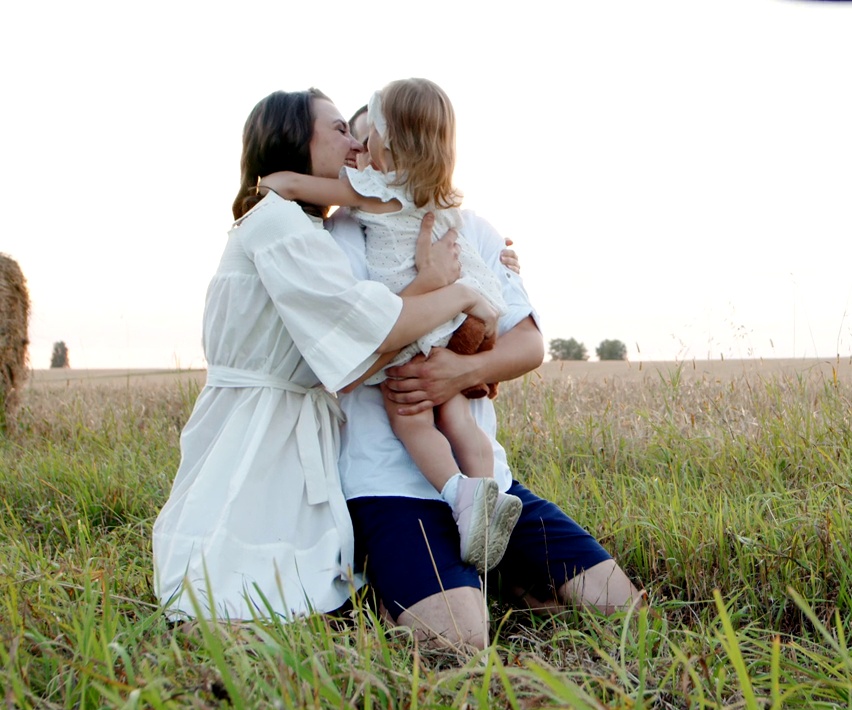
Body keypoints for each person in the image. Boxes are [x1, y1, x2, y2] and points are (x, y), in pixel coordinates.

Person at [151, 88, 498, 622]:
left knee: (308, 589)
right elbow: (365, 330)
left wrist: (447, 281)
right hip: (259, 428)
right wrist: (456, 292)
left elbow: (359, 337)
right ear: (295, 138)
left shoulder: (306, 227)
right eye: (338, 128)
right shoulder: (276, 223)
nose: (355, 141)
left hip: (298, 422)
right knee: (237, 596)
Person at [331, 95, 643, 653]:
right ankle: (398, 584)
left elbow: (528, 343)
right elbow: (345, 358)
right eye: (355, 145)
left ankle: (501, 572)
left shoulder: (471, 227)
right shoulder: (343, 238)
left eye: (372, 140)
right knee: (460, 640)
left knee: (623, 607)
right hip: (391, 487)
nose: (364, 156)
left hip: (489, 489)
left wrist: (456, 373)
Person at [260, 79, 519, 573]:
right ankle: (485, 493)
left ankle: (460, 496)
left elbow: (302, 186)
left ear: (387, 143)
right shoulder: (438, 200)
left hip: (414, 321)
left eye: (368, 134)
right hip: (454, 316)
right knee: (457, 418)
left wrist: (272, 184)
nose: (360, 146)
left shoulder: (375, 194)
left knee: (410, 418)